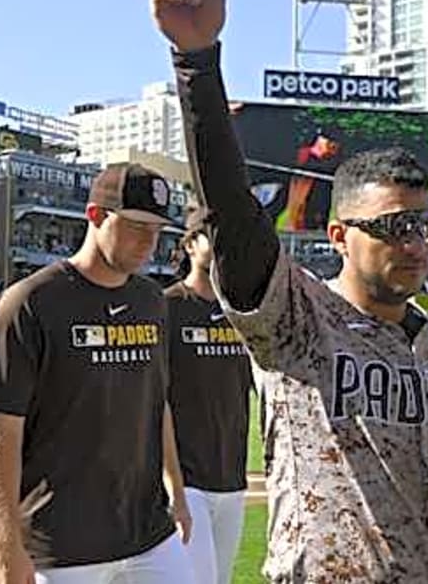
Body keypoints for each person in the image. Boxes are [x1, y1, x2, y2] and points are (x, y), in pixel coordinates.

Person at [152, 0, 428, 583]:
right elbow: (233, 214)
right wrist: (197, 61)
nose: (414, 242)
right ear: (339, 236)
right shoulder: (297, 319)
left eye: (423, 225)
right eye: (393, 227)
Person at [0, 162, 192, 584]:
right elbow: (1, 430)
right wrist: (2, 545)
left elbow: (156, 403)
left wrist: (178, 495)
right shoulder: (30, 302)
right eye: (135, 226)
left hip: (149, 534)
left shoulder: (152, 300)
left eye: (157, 230)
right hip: (62, 548)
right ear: (94, 216)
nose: (150, 242)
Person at [166, 216, 254, 584]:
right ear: (190, 245)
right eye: (211, 238)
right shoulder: (166, 307)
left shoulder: (242, 314)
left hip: (232, 476)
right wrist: (171, 483)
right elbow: (154, 401)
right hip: (188, 479)